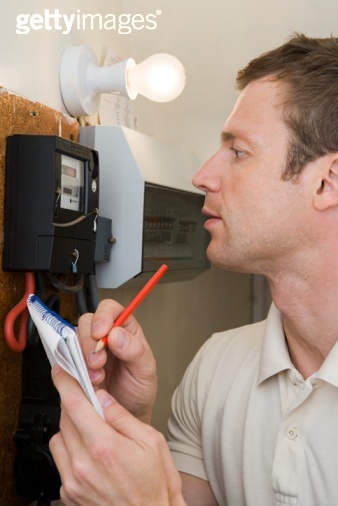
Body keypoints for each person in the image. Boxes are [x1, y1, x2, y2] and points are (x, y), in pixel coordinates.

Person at [49, 33, 338, 505]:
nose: (203, 175)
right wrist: (127, 431)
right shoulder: (216, 368)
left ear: (326, 182)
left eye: (238, 151)